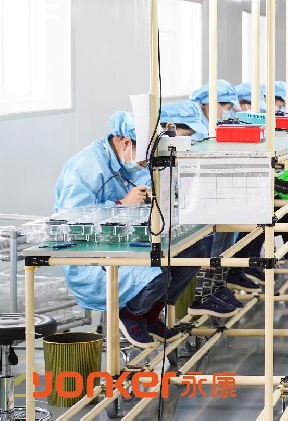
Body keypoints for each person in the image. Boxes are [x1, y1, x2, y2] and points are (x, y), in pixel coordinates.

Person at [53, 112, 232, 349]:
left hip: (128, 242)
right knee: (157, 273)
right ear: (126, 143)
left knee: (194, 251)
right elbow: (71, 219)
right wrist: (121, 204)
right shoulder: (85, 166)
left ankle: (150, 315)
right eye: (144, 159)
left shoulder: (127, 162)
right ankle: (131, 315)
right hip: (91, 257)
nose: (145, 164)